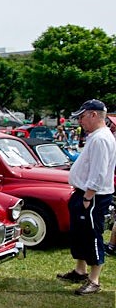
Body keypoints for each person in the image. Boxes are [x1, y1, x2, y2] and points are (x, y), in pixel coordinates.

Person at [56, 99, 116, 295]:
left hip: (93, 196)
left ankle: (94, 279)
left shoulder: (101, 139)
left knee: (92, 235)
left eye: (82, 117)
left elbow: (99, 171)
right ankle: (80, 270)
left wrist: (88, 196)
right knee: (79, 233)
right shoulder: (95, 137)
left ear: (94, 115)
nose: (80, 121)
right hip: (84, 193)